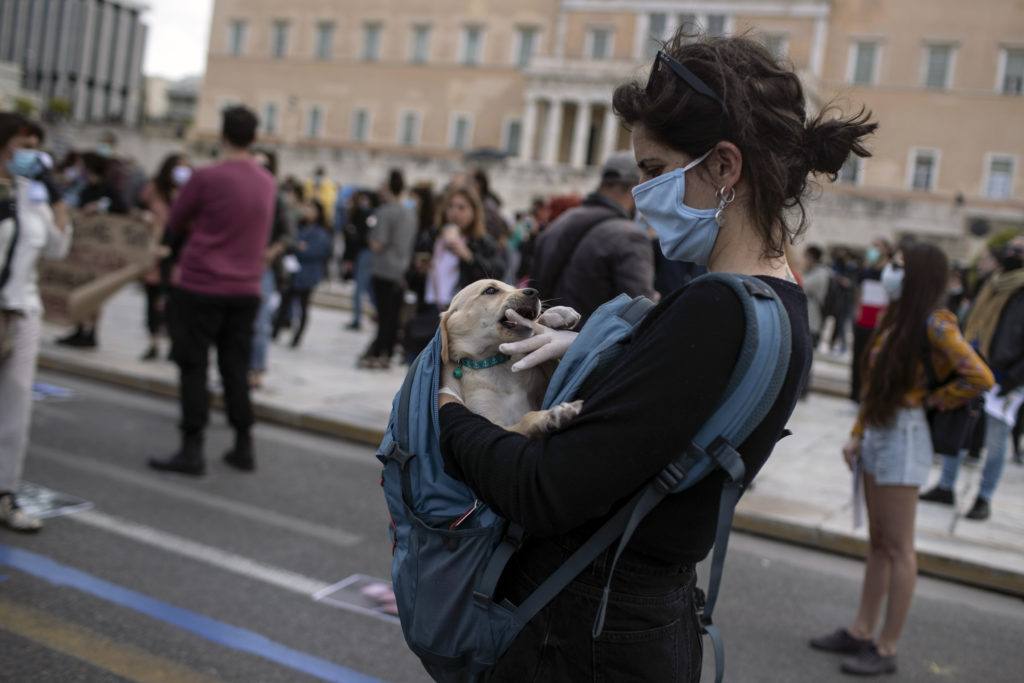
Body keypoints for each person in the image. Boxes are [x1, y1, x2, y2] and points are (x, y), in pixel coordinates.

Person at [436, 32, 875, 680]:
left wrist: (448, 410)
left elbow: (544, 489)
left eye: (652, 169)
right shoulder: (782, 306)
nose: (640, 193)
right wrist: (592, 349)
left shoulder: (713, 311)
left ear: (725, 167)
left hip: (588, 634)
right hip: (644, 618)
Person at [812, 243, 992, 675]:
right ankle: (860, 630)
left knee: (898, 547)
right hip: (879, 432)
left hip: (905, 437)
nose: (888, 271)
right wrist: (857, 434)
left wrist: (930, 399)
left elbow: (978, 376)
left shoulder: (935, 322)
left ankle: (887, 647)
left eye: (898, 266)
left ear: (918, 277)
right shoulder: (897, 318)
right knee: (879, 542)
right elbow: (874, 386)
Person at [147, 106, 275, 475]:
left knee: (193, 366)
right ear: (254, 138)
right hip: (246, 289)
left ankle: (192, 448)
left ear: (222, 135)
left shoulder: (205, 177)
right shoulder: (267, 182)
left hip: (201, 284)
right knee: (235, 367)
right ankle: (243, 445)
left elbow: (176, 221)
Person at [0, 112, 73, 531]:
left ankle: (4, 492)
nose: (28, 154)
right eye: (21, 145)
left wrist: (58, 199)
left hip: (22, 308)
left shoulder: (34, 195)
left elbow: (57, 249)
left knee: (14, 404)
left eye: (34, 147)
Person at [919, 236, 1024, 520]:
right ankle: (945, 486)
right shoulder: (991, 282)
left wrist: (1014, 379)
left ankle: (983, 498)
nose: (1013, 253)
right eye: (1011, 249)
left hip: (1006, 377)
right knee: (959, 428)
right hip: (973, 364)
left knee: (996, 440)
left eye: (1020, 251)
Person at [530, 152, 655, 326]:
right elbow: (641, 314)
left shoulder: (558, 223)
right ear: (636, 187)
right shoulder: (630, 236)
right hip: (593, 348)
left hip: (544, 342)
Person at [358, 170, 417, 369]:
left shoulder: (385, 212)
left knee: (384, 315)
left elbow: (377, 243)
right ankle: (388, 352)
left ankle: (380, 352)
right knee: (393, 315)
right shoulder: (411, 214)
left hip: (384, 269)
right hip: (401, 268)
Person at [248, 148, 296, 389]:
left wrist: (271, 252)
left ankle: (255, 370)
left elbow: (288, 235)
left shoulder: (277, 199)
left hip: (263, 267)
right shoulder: (242, 194)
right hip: (238, 265)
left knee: (259, 323)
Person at [137, 152, 191, 361]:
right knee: (152, 300)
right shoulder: (154, 190)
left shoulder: (189, 193)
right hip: (154, 253)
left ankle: (172, 343)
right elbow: (138, 208)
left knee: (173, 304)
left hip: (178, 256)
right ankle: (153, 341)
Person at [273, 199, 331, 347]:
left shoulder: (321, 232)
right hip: (293, 272)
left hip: (308, 274)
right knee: (284, 303)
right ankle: (276, 330)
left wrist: (301, 248)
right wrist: (298, 247)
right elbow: (290, 244)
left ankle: (297, 337)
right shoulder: (298, 226)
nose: (308, 212)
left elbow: (317, 251)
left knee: (303, 307)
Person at [850, 238, 892, 402]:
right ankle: (854, 396)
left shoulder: (890, 273)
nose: (874, 250)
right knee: (858, 359)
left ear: (886, 250)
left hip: (879, 323)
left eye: (878, 246)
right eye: (872, 246)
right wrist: (857, 310)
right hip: (863, 321)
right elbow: (859, 292)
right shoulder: (865, 271)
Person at [341, 189, 378, 330]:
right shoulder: (359, 214)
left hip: (364, 254)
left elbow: (356, 238)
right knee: (368, 288)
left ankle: (357, 319)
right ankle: (379, 312)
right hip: (362, 254)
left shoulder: (363, 214)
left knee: (360, 289)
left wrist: (349, 258)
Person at [803, 244, 831, 349]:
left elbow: (801, 284)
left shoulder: (820, 274)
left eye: (805, 257)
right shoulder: (812, 272)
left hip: (812, 321)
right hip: (808, 320)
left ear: (811, 257)